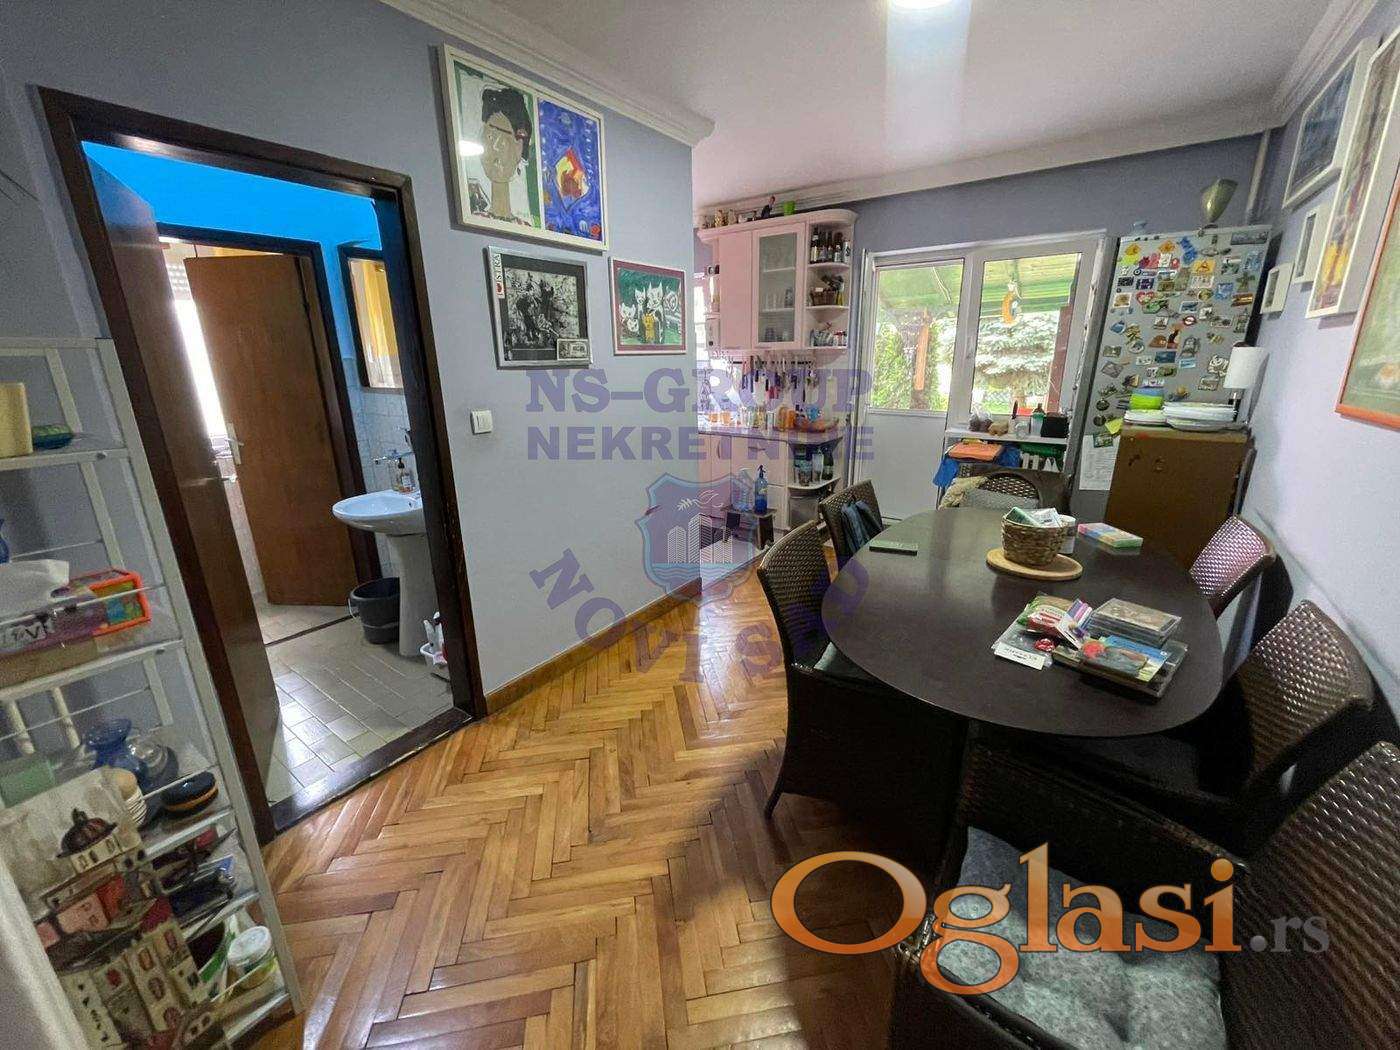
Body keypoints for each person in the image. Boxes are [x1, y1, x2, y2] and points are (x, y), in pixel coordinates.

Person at [475, 86, 533, 224]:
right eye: (489, 136)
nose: (494, 147)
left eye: (503, 140)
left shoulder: (524, 226)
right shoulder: (477, 217)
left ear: (519, 148)